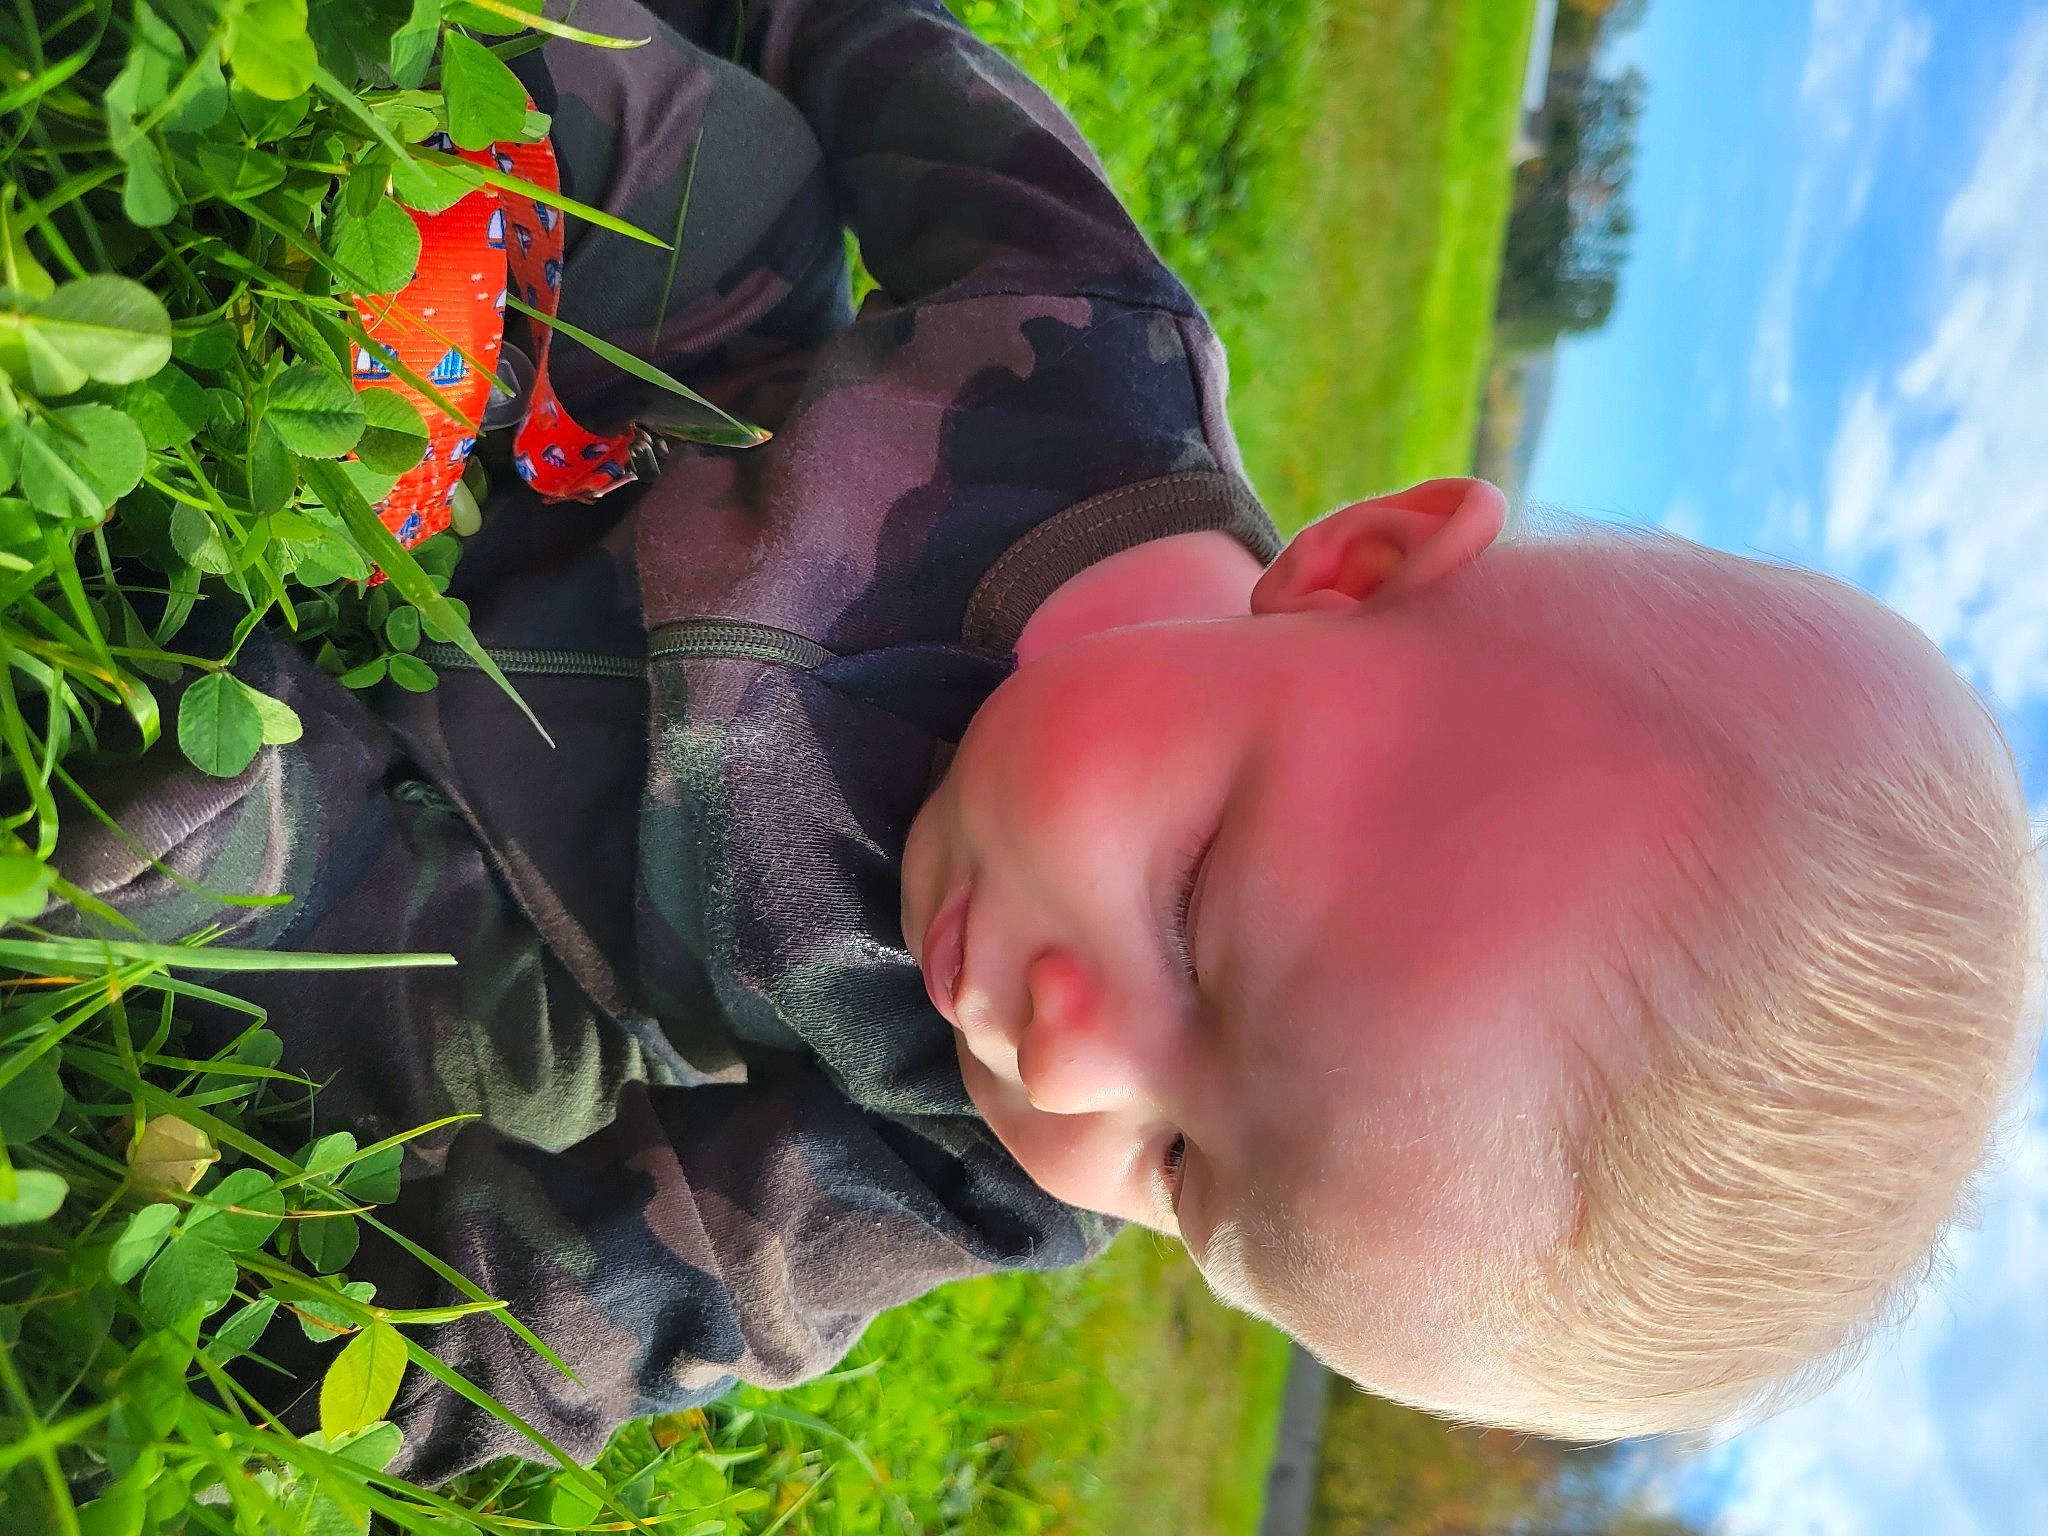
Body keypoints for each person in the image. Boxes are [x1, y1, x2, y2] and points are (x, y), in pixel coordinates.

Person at [58, 0, 2042, 1489]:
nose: (1070, 1048)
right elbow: (849, 44)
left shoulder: (989, 1176)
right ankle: (397, 183)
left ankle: (221, 750)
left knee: (368, 983)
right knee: (710, 160)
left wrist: (353, 1373)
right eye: (1198, 910)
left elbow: (645, 1294)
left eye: (1185, 1167)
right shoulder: (1091, 348)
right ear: (1354, 572)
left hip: (515, 875)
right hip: (622, 406)